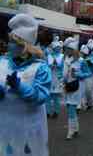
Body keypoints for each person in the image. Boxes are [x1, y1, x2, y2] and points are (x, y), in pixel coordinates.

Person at [0, 14, 51, 156]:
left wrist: (19, 86)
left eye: (12, 41)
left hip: (29, 128)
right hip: (4, 127)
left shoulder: (40, 68)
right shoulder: (2, 62)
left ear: (23, 45)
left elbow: (41, 97)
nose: (8, 44)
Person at [63, 37, 83, 140]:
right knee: (70, 108)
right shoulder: (65, 59)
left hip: (76, 87)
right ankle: (75, 128)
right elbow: (62, 73)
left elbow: (87, 73)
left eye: (69, 49)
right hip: (67, 87)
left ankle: (70, 132)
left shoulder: (81, 60)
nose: (66, 51)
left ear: (74, 50)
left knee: (71, 109)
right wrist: (62, 79)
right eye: (66, 49)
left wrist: (78, 74)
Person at [46, 36, 64, 118]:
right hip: (50, 76)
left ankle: (56, 111)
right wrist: (50, 66)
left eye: (58, 47)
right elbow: (45, 66)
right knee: (48, 95)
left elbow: (64, 67)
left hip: (57, 77)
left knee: (56, 96)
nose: (57, 48)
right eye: (56, 47)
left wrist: (58, 66)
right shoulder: (49, 56)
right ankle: (48, 112)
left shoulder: (62, 56)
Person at [78, 45, 93, 111]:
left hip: (89, 78)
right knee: (80, 92)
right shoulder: (79, 60)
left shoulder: (89, 60)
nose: (81, 54)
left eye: (83, 53)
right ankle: (80, 105)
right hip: (82, 78)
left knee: (88, 91)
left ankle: (90, 104)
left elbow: (92, 69)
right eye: (81, 53)